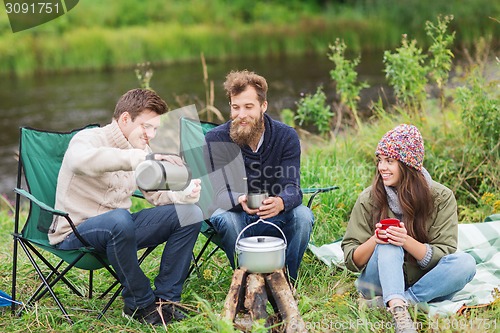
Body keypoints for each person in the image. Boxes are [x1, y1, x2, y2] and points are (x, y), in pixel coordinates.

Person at [48, 88, 203, 326]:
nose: (151, 135)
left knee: (190, 214)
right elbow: (80, 161)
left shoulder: (141, 150)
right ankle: (139, 304)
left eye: (155, 129)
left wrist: (183, 195)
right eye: (146, 126)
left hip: (120, 231)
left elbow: (156, 195)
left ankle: (166, 302)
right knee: (119, 219)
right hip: (75, 232)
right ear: (125, 119)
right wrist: (141, 158)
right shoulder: (89, 139)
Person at [341, 124, 476, 333]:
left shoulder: (441, 197)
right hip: (376, 283)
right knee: (388, 243)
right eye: (380, 160)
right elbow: (351, 259)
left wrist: (407, 241)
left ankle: (402, 303)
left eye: (390, 161)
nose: (381, 167)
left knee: (466, 263)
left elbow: (445, 252)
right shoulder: (368, 199)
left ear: (408, 165)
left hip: (424, 280)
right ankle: (401, 319)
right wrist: (376, 240)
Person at [204, 70, 313, 281]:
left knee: (303, 216)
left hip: (276, 217)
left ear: (263, 106)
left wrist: (281, 202)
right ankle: (244, 279)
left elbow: (293, 187)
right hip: (237, 217)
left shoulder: (286, 136)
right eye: (235, 107)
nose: (241, 115)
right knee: (223, 217)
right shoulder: (215, 139)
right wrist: (239, 199)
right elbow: (217, 194)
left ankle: (287, 279)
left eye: (248, 107)